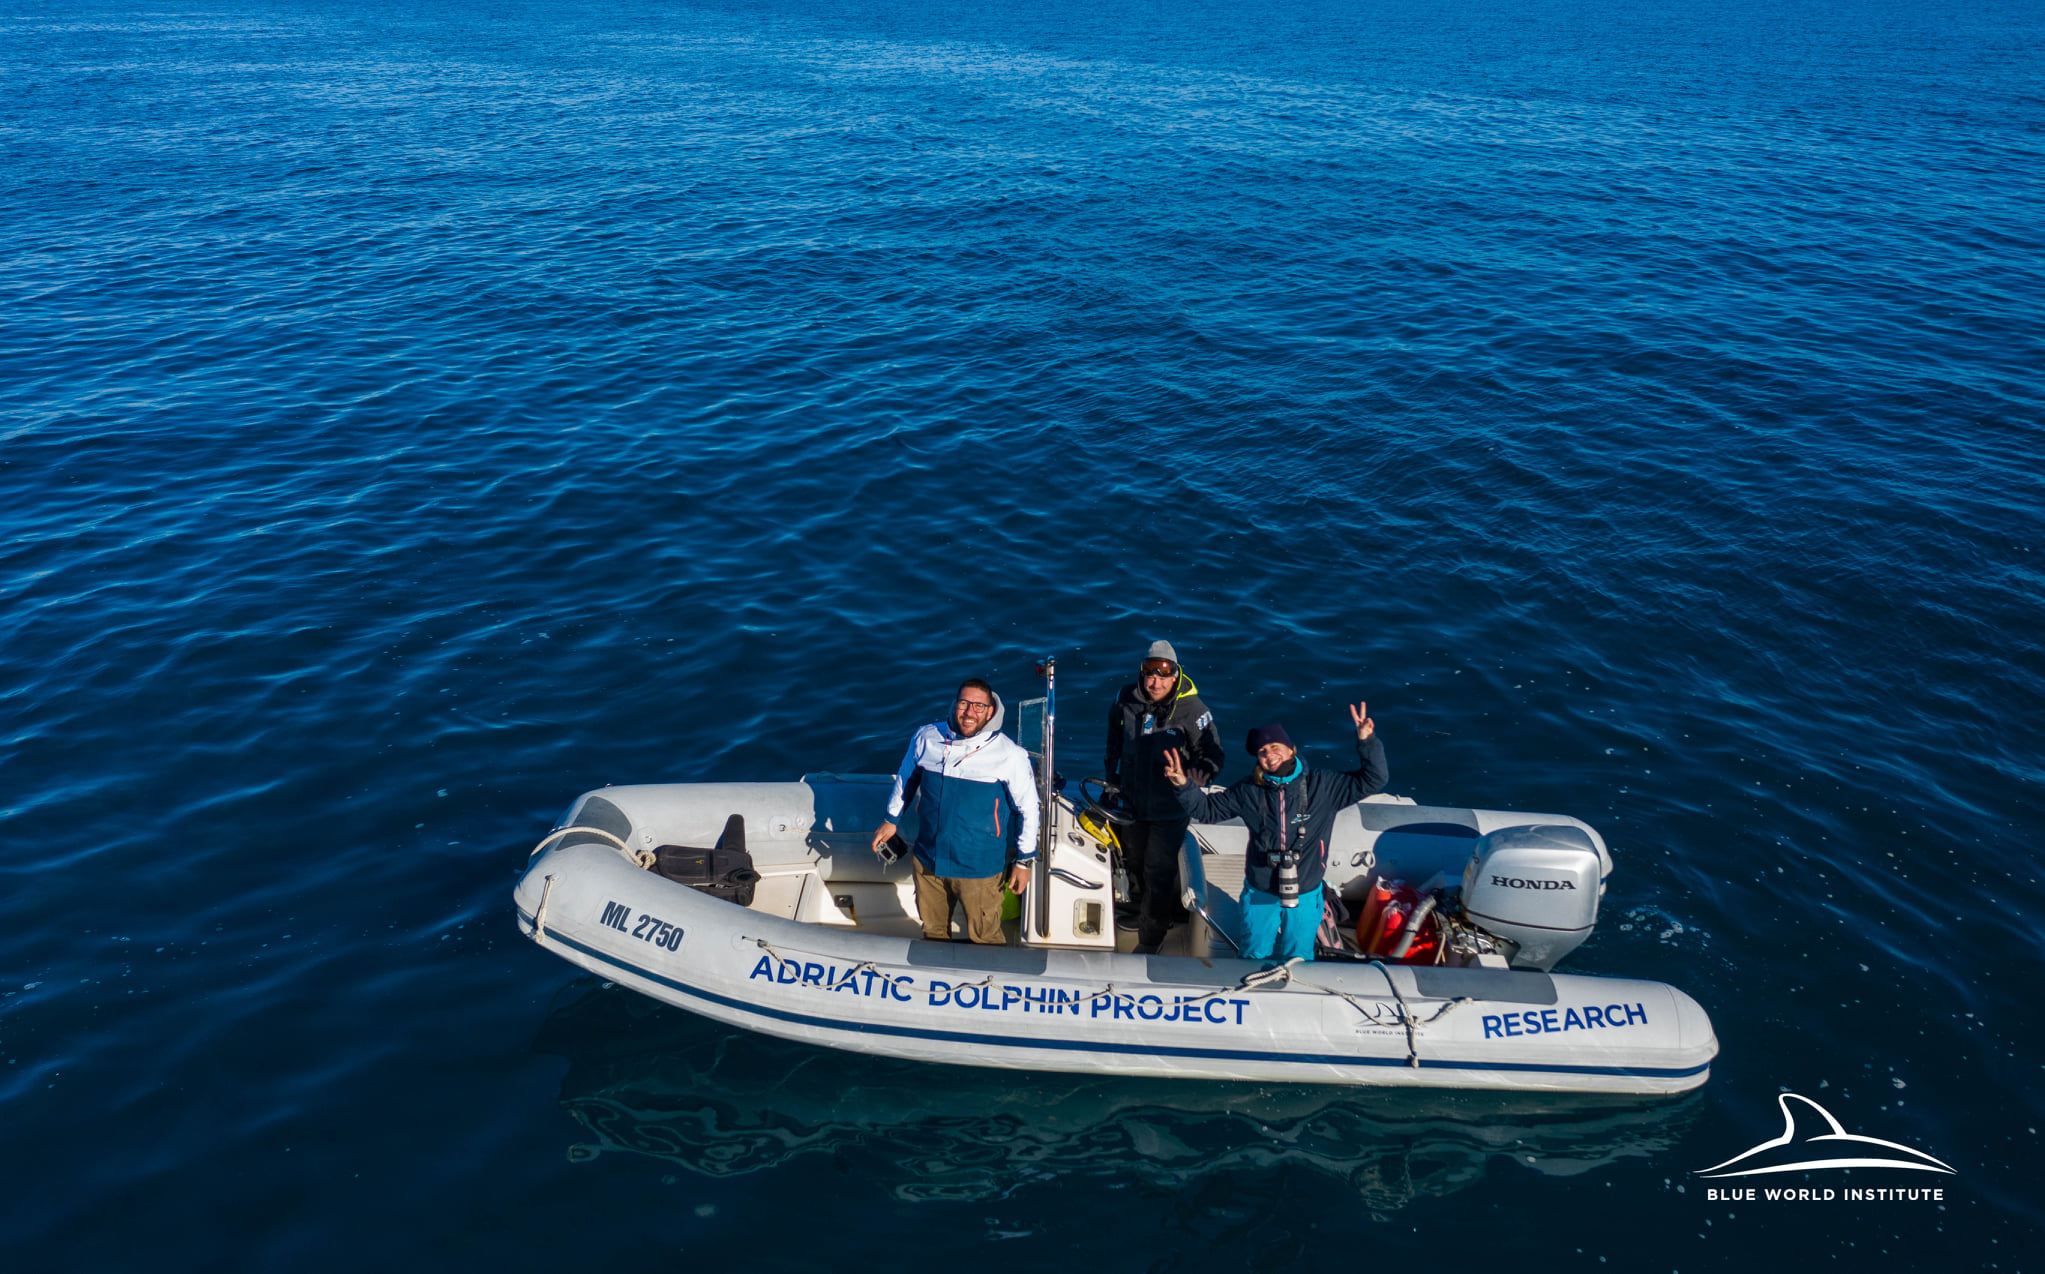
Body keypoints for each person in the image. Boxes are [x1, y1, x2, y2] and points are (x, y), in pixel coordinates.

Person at [1163, 703, 1387, 962]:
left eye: (1275, 747)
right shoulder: (1249, 790)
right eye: (1262, 751)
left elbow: (1374, 779)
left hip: (1306, 892)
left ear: (1291, 748)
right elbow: (1207, 810)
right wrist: (1182, 785)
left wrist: (1367, 741)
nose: (1270, 755)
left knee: (1299, 956)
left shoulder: (1323, 785)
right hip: (1261, 891)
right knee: (1254, 954)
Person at [871, 678, 1039, 944]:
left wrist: (1023, 861)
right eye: (964, 703)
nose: (969, 712)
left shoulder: (1010, 755)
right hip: (929, 858)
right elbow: (906, 778)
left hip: (979, 867)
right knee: (934, 931)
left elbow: (1028, 809)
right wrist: (891, 820)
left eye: (979, 706)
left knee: (986, 937)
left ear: (990, 712)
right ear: (954, 704)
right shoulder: (926, 737)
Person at [1104, 640, 1225, 953]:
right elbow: (1114, 739)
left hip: (1169, 808)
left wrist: (1201, 773)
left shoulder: (1194, 710)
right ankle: (1149, 913)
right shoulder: (1124, 698)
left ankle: (1151, 938)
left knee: (1158, 870)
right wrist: (1111, 780)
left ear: (1175, 676)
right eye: (1149, 674)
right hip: (1130, 802)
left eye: (1163, 675)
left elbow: (1213, 753)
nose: (1155, 682)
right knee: (1134, 862)